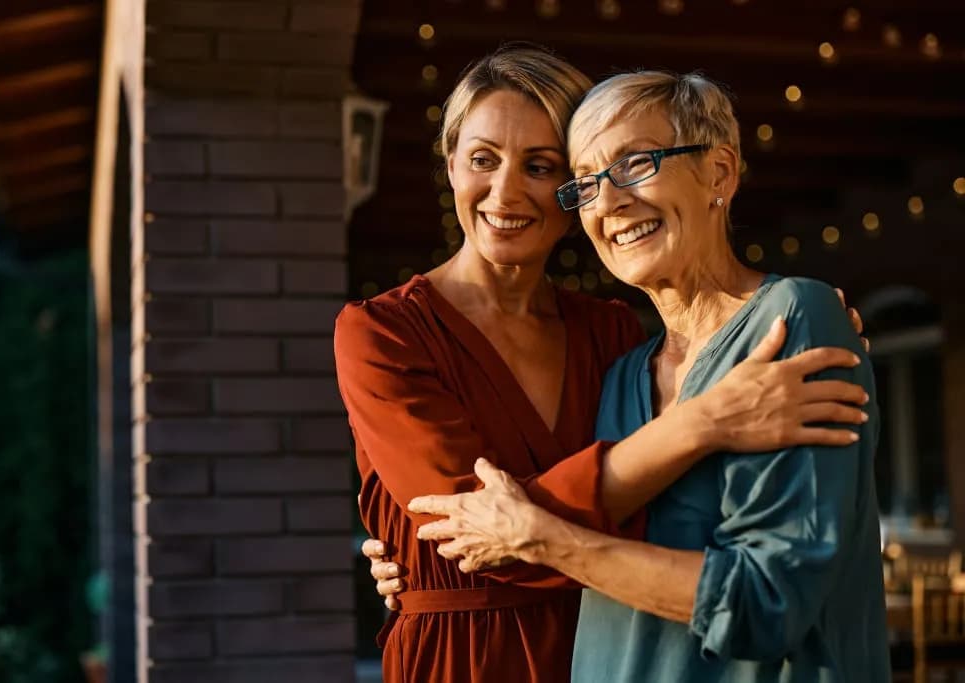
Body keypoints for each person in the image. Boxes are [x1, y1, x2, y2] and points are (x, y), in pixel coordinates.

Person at [337, 45, 868, 683]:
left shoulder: (611, 335)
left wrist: (797, 312)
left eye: (541, 166)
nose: (506, 190)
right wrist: (705, 421)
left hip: (603, 644)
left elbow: (703, 541)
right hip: (467, 657)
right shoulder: (385, 331)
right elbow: (473, 531)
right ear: (450, 164)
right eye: (482, 158)